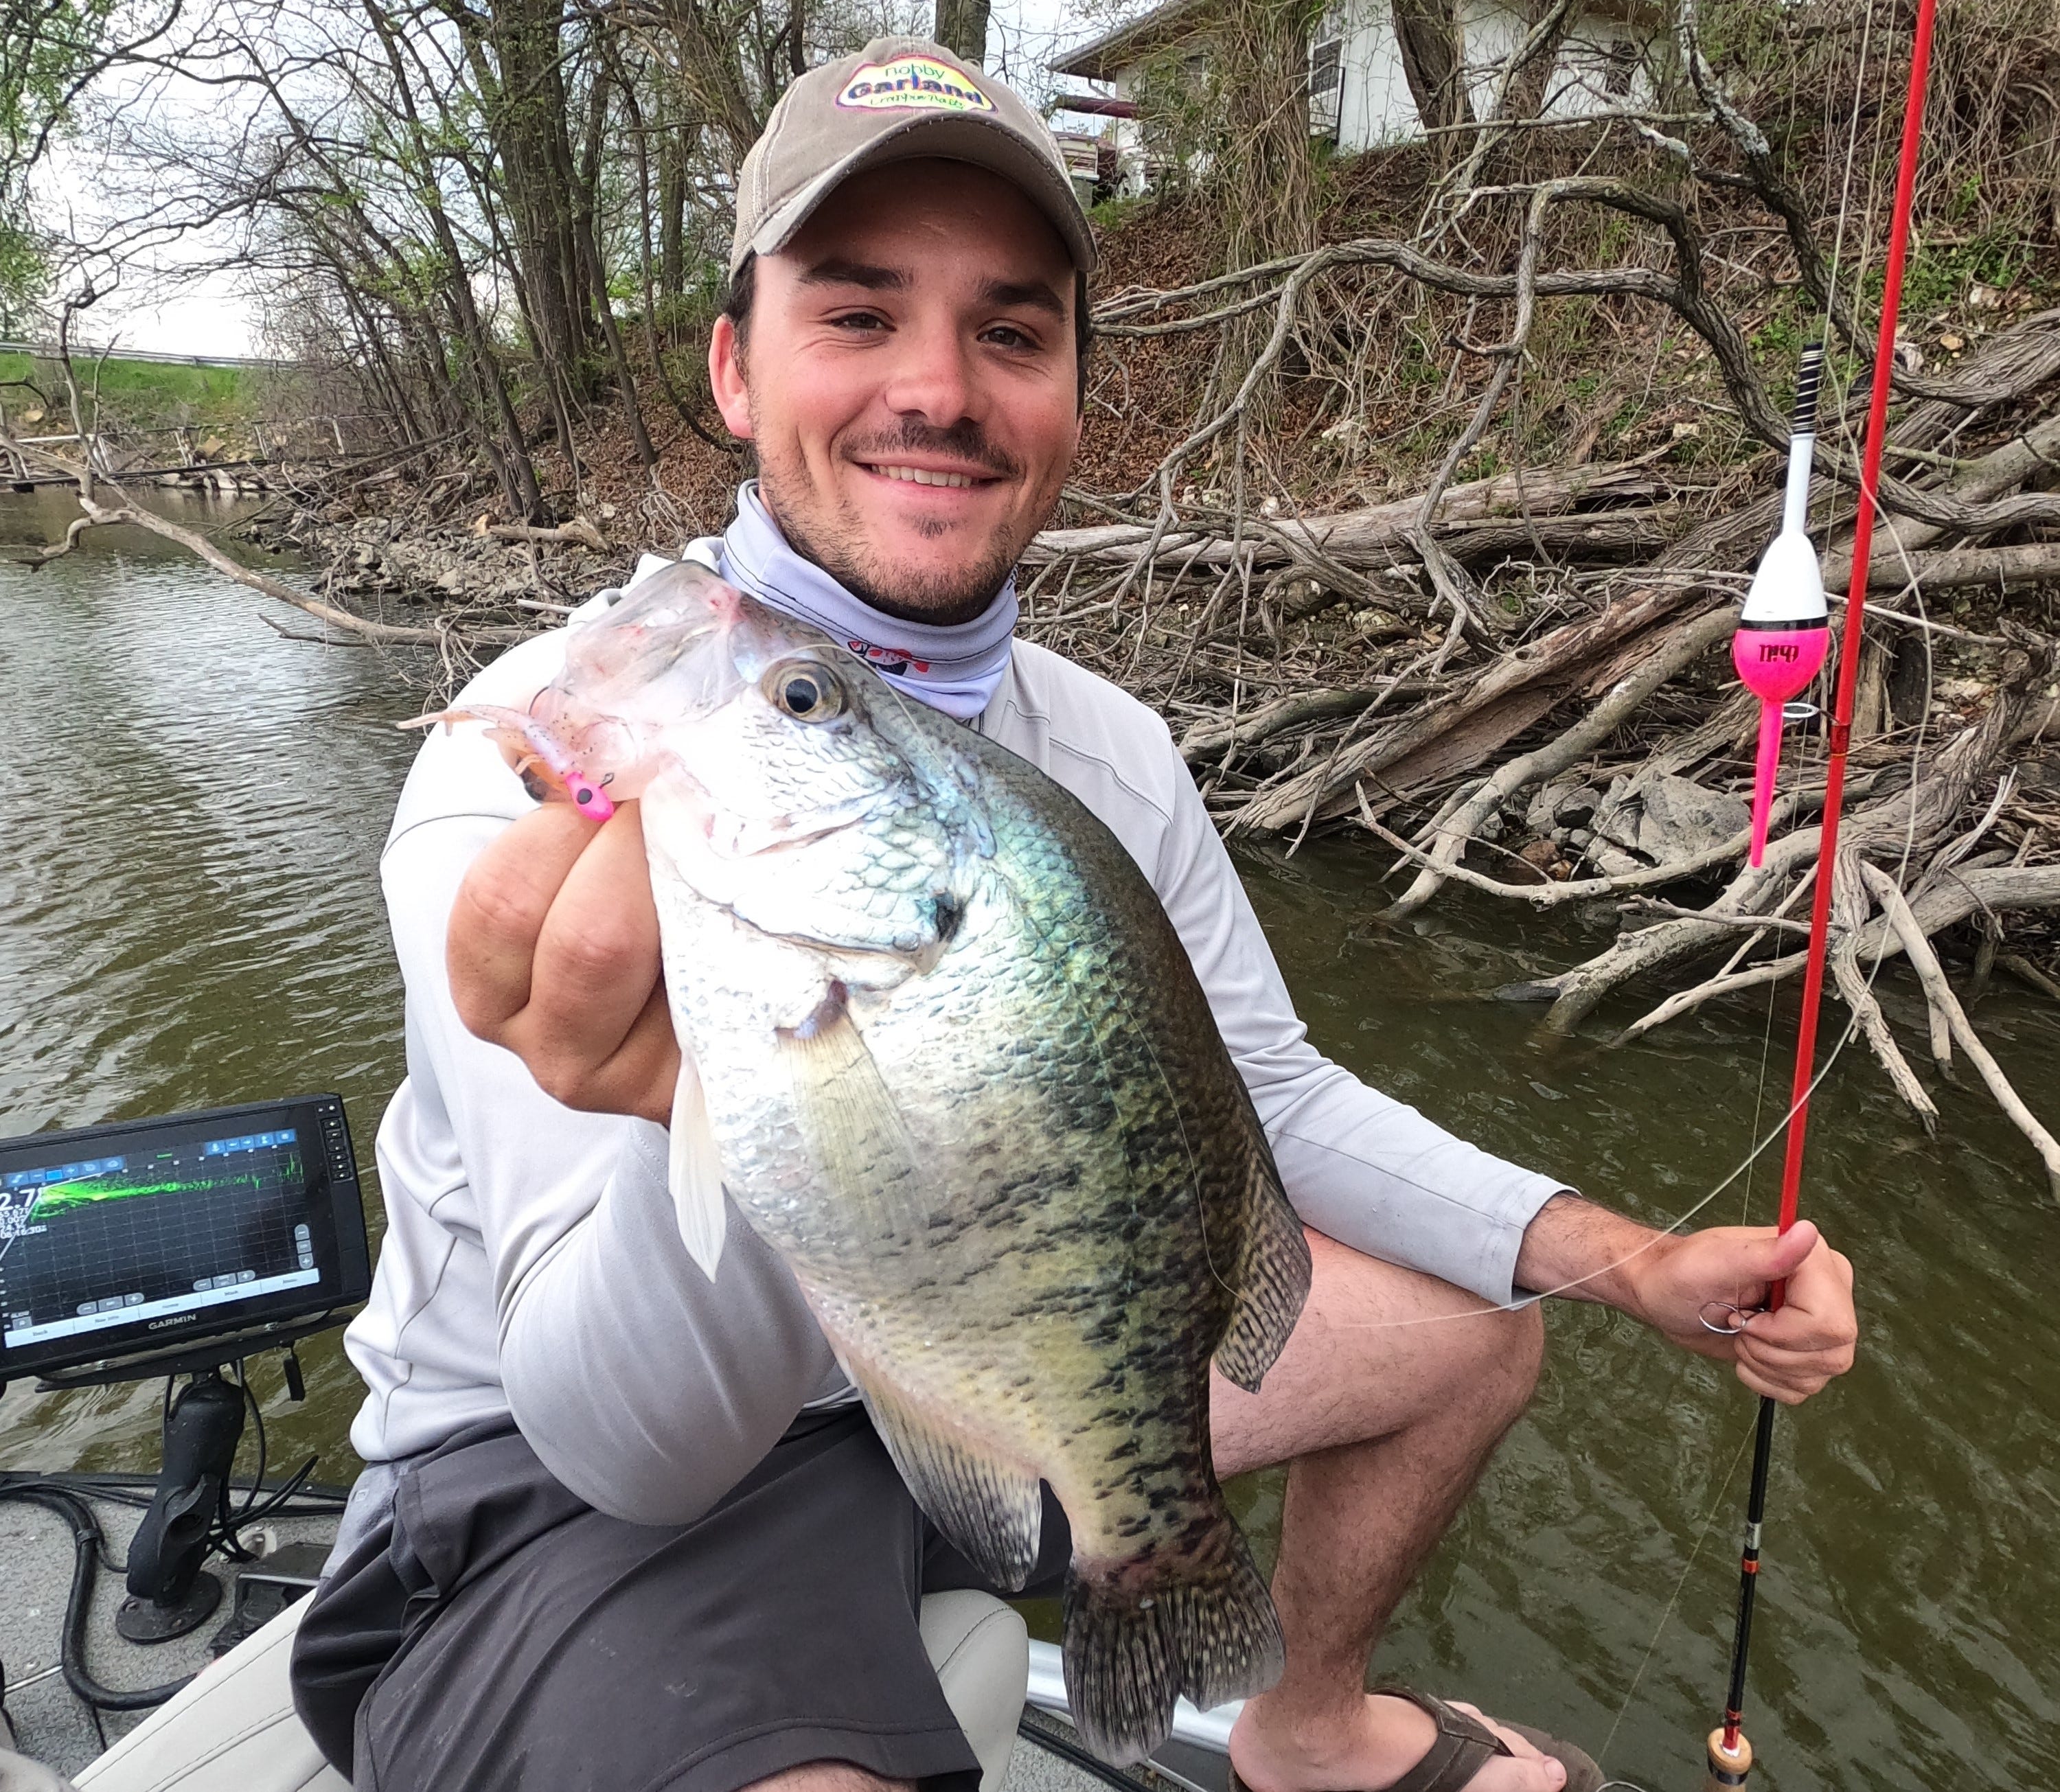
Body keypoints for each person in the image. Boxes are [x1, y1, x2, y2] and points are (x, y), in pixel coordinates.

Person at [288, 37, 1858, 1792]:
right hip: (556, 1490)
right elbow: (625, 1450)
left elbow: (1267, 1091)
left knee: (1473, 1327)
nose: (939, 390)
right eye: (859, 315)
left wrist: (1635, 1259)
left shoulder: (1105, 746)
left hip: (985, 1369)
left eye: (1012, 331)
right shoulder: (554, 751)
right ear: (736, 369)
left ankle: (1308, 1727)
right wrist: (695, 1106)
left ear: (1072, 399)